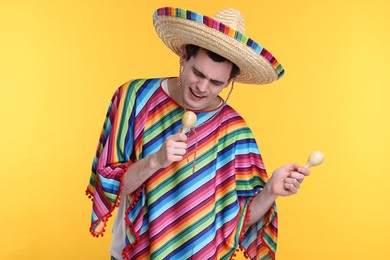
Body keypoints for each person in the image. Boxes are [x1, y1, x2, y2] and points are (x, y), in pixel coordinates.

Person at [86, 7, 310, 260]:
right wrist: (155, 161)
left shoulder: (235, 131)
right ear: (184, 56)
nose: (202, 88)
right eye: (198, 73)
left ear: (230, 81)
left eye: (216, 83)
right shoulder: (135, 98)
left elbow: (237, 222)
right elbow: (110, 185)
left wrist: (270, 191)